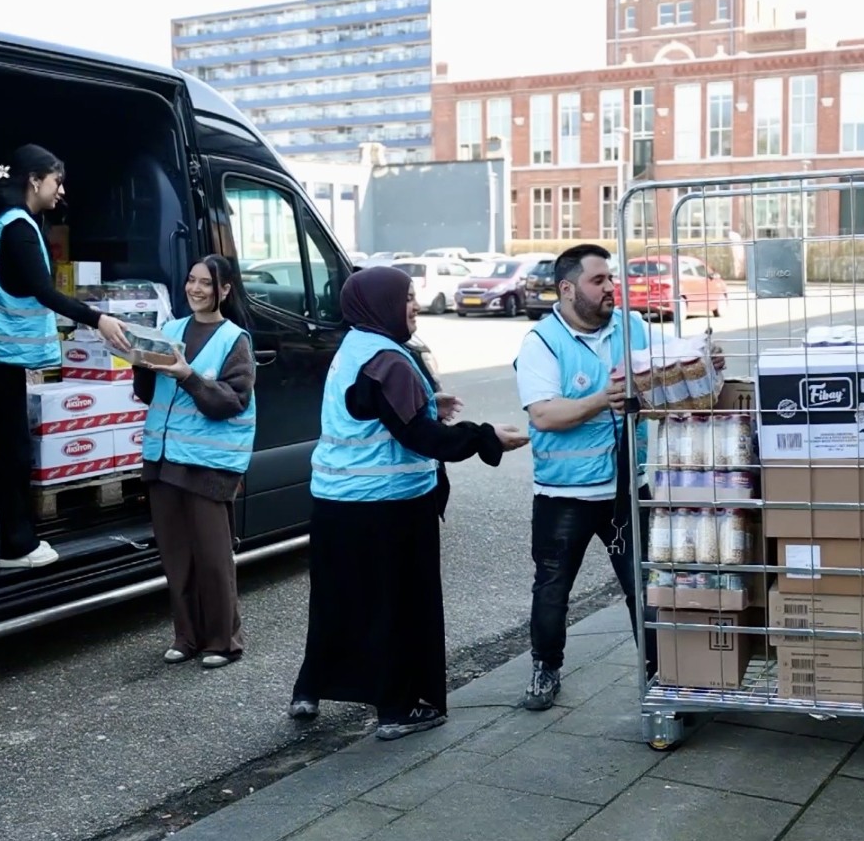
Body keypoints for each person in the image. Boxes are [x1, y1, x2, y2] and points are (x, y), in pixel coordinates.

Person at [288, 266, 530, 740]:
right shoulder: (390, 359)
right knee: (397, 611)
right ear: (381, 304)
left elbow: (373, 410)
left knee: (337, 602)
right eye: (407, 298)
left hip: (336, 505)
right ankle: (399, 709)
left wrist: (425, 403)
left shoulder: (355, 346)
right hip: (388, 509)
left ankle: (310, 688)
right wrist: (487, 438)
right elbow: (421, 437)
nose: (415, 306)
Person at [512, 244, 714, 712]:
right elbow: (543, 414)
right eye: (598, 281)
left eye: (611, 279)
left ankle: (660, 673)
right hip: (564, 494)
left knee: (645, 584)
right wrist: (604, 398)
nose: (610, 289)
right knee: (552, 587)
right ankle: (546, 667)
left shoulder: (632, 327)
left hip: (627, 487)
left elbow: (663, 372)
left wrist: (702, 368)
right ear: (566, 289)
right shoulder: (541, 343)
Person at [0, 144, 131, 570]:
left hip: (5, 354)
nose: (59, 189)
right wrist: (97, 319)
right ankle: (16, 545)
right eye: (56, 181)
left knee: (12, 449)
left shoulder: (12, 223)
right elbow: (44, 292)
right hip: (4, 355)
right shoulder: (18, 229)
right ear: (34, 181)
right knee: (13, 453)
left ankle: (16, 537)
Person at [131, 254, 255, 667]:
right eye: (191, 281)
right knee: (177, 556)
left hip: (207, 463)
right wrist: (140, 362)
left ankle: (223, 641)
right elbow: (151, 395)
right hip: (165, 459)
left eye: (206, 283)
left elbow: (232, 401)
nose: (196, 289)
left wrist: (187, 375)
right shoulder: (170, 330)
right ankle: (186, 637)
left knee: (213, 557)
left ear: (224, 290)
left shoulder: (234, 339)